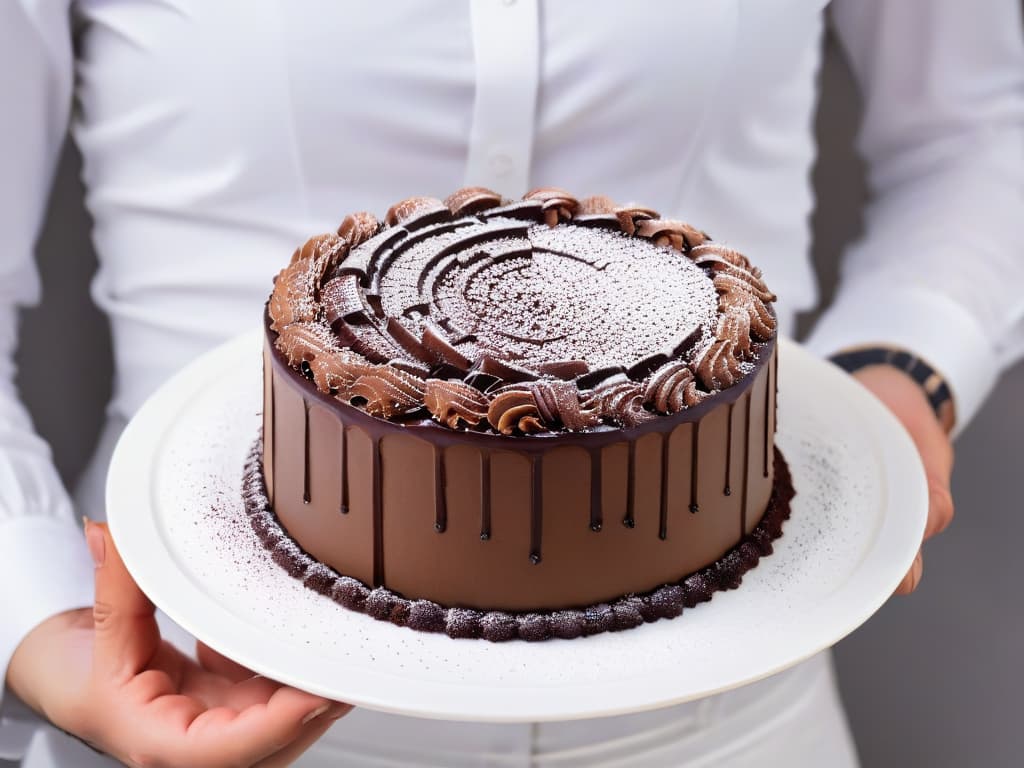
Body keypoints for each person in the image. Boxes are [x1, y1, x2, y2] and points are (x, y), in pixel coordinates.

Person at [1, 1, 1021, 766]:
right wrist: (51, 633)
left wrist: (905, 369)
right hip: (199, 673)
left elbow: (978, 130)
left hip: (732, 711)